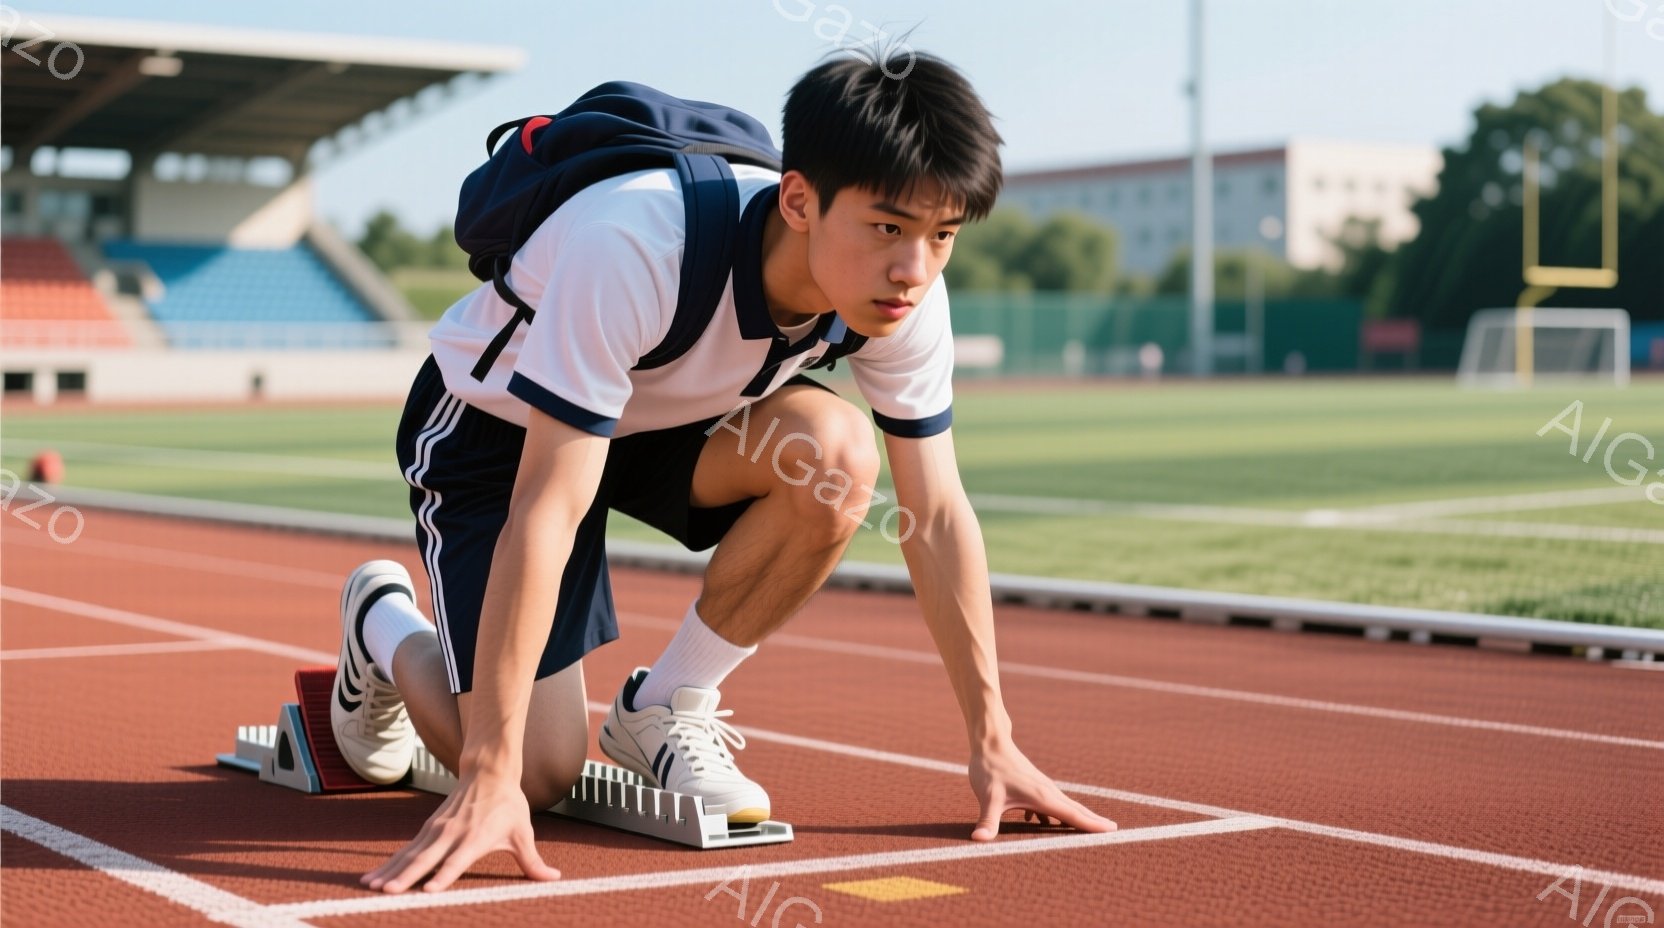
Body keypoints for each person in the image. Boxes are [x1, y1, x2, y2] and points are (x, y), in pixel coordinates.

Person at [329, 47, 1116, 895]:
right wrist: (486, 770)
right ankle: (384, 625)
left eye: (943, 235)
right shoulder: (636, 241)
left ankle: (663, 704)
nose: (914, 269)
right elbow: (549, 506)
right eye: (889, 227)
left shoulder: (903, 298)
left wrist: (991, 737)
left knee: (838, 455)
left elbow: (937, 513)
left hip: (665, 424)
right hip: (500, 437)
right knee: (535, 775)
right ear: (800, 199)